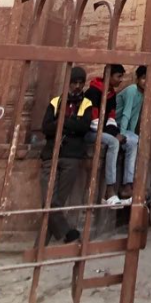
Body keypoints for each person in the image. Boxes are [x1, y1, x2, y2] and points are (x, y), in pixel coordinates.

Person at [40, 66, 91, 244]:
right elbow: (46, 127)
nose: (77, 86)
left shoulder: (86, 104)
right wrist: (71, 124)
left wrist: (62, 122)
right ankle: (69, 233)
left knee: (55, 202)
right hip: (51, 155)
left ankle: (40, 245)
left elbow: (84, 127)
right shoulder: (56, 102)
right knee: (49, 200)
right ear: (68, 83)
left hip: (72, 156)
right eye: (74, 82)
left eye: (80, 83)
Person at [85, 63, 137, 207]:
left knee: (131, 142)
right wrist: (115, 136)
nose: (121, 80)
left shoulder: (111, 94)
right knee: (114, 142)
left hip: (105, 131)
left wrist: (117, 133)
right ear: (108, 76)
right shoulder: (93, 92)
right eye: (118, 76)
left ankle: (127, 186)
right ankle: (109, 189)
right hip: (91, 131)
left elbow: (111, 119)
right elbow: (94, 122)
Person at [115, 65, 147, 200]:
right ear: (138, 79)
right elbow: (126, 114)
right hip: (115, 126)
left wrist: (131, 133)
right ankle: (127, 185)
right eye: (144, 78)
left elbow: (134, 117)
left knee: (138, 141)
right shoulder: (132, 90)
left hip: (124, 129)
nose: (146, 81)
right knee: (134, 142)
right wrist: (123, 133)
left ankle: (133, 184)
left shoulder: (141, 94)